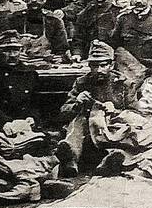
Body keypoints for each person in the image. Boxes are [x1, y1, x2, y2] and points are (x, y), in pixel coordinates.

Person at [57, 40, 141, 173]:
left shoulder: (124, 84)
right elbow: (63, 112)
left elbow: (137, 114)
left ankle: (111, 159)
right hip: (88, 134)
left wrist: (116, 112)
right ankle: (70, 159)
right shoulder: (82, 83)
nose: (98, 70)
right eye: (94, 65)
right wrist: (77, 103)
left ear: (111, 65)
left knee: (126, 130)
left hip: (113, 130)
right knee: (79, 120)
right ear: (89, 65)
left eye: (103, 65)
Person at [4, 0, 68, 58]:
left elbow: (61, 49)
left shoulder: (54, 20)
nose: (34, 0)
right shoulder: (13, 19)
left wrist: (58, 57)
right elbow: (5, 45)